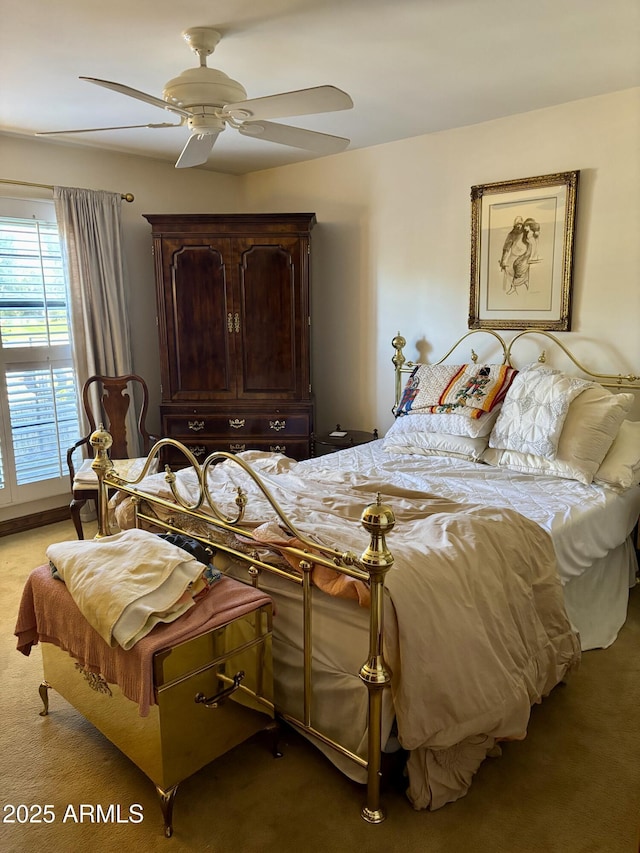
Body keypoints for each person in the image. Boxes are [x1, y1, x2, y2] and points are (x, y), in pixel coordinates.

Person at [500, 216, 540, 294]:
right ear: (514, 225)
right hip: (513, 257)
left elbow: (533, 236)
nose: (519, 226)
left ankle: (523, 285)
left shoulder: (526, 232)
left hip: (525, 256)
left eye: (521, 224)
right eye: (517, 224)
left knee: (521, 268)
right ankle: (513, 287)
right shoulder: (511, 235)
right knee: (511, 269)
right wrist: (503, 260)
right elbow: (506, 248)